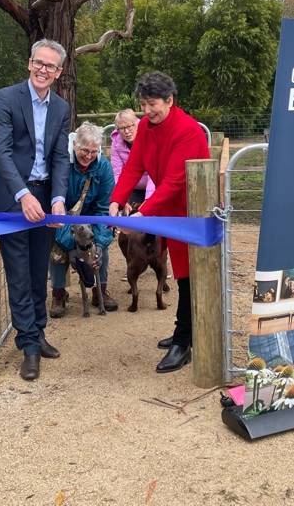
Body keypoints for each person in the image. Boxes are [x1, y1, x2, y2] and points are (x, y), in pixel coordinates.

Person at [109, 71, 210, 373]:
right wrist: (117, 199)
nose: (146, 110)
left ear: (169, 100)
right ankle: (184, 333)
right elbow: (134, 165)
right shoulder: (144, 127)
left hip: (191, 213)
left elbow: (175, 181)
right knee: (181, 275)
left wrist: (142, 214)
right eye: (142, 104)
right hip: (168, 211)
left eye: (152, 103)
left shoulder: (188, 131)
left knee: (191, 275)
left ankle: (184, 342)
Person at [0, 39, 70, 381]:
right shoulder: (6, 98)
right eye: (39, 62)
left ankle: (37, 331)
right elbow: (3, 153)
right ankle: (29, 347)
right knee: (19, 274)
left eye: (50, 66)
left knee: (40, 271)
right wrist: (23, 195)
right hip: (12, 199)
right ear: (29, 63)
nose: (43, 70)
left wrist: (58, 198)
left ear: (59, 72)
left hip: (44, 198)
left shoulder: (62, 108)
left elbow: (61, 157)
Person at [49, 122, 117, 316]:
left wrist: (99, 243)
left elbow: (104, 207)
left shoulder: (103, 167)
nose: (88, 156)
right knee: (58, 249)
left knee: (97, 249)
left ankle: (100, 290)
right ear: (74, 146)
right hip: (63, 213)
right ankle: (59, 293)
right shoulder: (61, 162)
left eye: (94, 152)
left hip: (91, 216)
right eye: (84, 150)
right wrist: (72, 245)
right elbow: (54, 206)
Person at [111, 109, 155, 206]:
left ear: (136, 124)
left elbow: (153, 173)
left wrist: (148, 199)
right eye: (122, 128)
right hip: (132, 187)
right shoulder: (116, 143)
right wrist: (121, 198)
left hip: (154, 185)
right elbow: (118, 173)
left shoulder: (149, 137)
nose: (126, 131)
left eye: (129, 126)